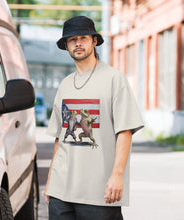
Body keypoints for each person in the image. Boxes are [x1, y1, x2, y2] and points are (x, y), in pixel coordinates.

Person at [44, 16, 144, 220]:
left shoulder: (114, 79)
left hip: (99, 193)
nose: (78, 43)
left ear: (94, 41)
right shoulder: (64, 85)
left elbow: (125, 131)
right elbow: (59, 137)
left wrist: (117, 175)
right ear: (66, 45)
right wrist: (50, 180)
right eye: (72, 40)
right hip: (61, 192)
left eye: (83, 38)